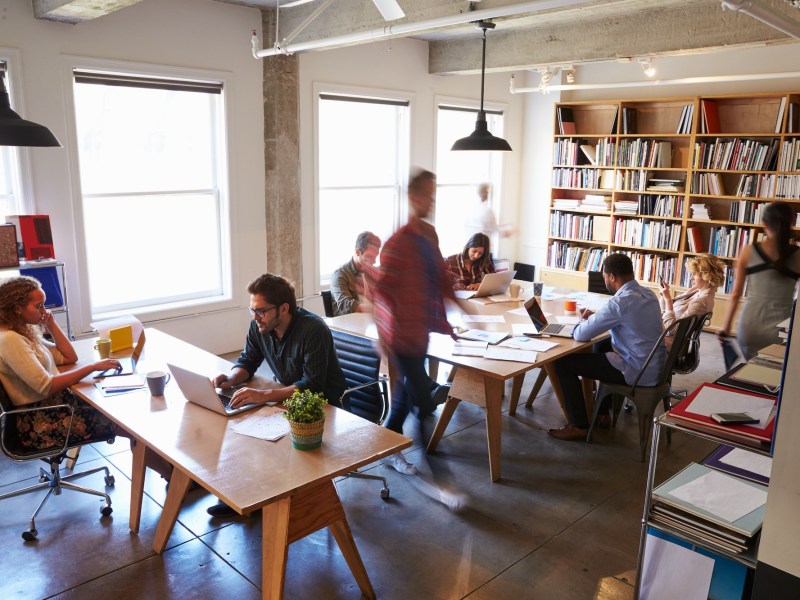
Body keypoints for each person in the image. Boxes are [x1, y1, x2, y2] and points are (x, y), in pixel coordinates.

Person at [206, 272, 346, 516]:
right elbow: (248, 361)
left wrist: (264, 395)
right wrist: (230, 379)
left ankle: (267, 500)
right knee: (238, 426)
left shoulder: (312, 329)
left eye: (261, 311)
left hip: (323, 406)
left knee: (256, 429)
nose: (256, 317)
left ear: (283, 308)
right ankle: (249, 495)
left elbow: (312, 385)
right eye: (252, 310)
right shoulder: (259, 326)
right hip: (288, 400)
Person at [0, 276, 171, 476]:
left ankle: (171, 472)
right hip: (38, 423)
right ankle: (173, 477)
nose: (44, 311)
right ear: (17, 308)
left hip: (52, 408)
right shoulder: (10, 340)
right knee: (127, 423)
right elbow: (45, 386)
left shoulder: (22, 332)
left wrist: (52, 326)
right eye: (39, 306)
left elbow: (68, 357)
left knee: (119, 408)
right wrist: (91, 367)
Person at [373, 169, 453, 474]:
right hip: (399, 335)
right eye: (425, 195)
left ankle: (387, 447)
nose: (430, 200)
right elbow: (381, 292)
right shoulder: (396, 242)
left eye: (434, 195)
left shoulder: (430, 234)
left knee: (406, 394)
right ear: (412, 196)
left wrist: (462, 308)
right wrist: (381, 336)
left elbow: (441, 276)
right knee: (423, 397)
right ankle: (428, 457)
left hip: (421, 330)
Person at [548, 254, 666, 441]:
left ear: (612, 277)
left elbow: (580, 335)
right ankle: (602, 413)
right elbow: (629, 318)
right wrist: (600, 316)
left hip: (637, 371)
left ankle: (578, 425)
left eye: (604, 276)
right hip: (656, 366)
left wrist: (581, 322)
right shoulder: (648, 294)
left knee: (563, 363)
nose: (604, 280)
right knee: (602, 345)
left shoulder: (619, 303)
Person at [718, 201, 800, 368]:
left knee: (752, 371)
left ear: (764, 223)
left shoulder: (749, 251)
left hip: (750, 327)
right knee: (774, 379)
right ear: (792, 223)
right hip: (781, 330)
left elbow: (735, 295)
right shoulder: (798, 256)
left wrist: (725, 328)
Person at [658, 253, 725, 346]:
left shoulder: (701, 301)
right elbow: (667, 309)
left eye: (694, 274)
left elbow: (671, 331)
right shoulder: (697, 290)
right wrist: (663, 295)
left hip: (664, 341)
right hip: (659, 330)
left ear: (707, 276)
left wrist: (668, 300)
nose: (691, 278)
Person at [330, 231, 381, 316]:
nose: (374, 262)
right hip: (346, 325)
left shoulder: (372, 272)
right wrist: (374, 309)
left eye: (375, 257)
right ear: (357, 252)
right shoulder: (340, 274)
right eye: (370, 257)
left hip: (367, 323)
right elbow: (345, 304)